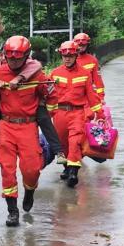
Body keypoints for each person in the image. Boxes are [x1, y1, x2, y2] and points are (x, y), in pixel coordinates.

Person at [0, 36, 55, 226]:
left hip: (28, 126)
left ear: (26, 56)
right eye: (10, 58)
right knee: (7, 169)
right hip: (6, 126)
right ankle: (12, 211)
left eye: (18, 58)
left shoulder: (36, 74)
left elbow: (48, 94)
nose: (14, 62)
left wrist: (48, 92)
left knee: (31, 169)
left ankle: (29, 192)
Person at [0, 42, 64, 164]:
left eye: (16, 58)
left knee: (44, 118)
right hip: (6, 103)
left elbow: (37, 67)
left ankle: (58, 151)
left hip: (30, 104)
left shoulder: (31, 65)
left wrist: (19, 78)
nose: (11, 60)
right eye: (7, 56)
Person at [48, 40, 105, 188]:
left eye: (70, 56)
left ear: (75, 55)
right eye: (64, 56)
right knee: (62, 142)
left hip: (77, 112)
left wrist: (100, 114)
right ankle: (67, 168)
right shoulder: (54, 73)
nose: (67, 58)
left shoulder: (84, 73)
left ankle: (74, 172)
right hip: (59, 113)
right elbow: (47, 95)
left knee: (75, 141)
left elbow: (92, 97)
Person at [74, 32, 105, 100]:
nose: (81, 47)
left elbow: (98, 81)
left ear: (87, 45)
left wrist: (101, 98)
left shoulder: (92, 60)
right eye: (79, 45)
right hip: (75, 96)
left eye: (83, 45)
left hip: (89, 96)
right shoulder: (70, 59)